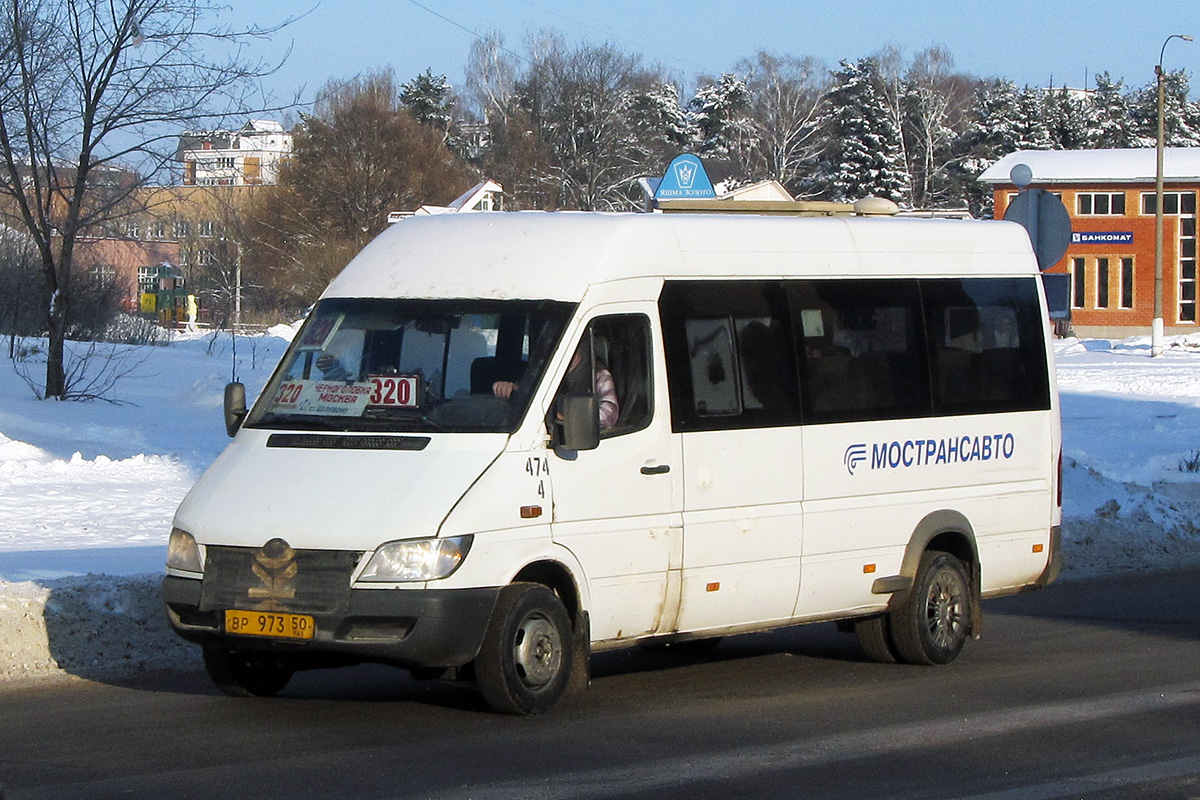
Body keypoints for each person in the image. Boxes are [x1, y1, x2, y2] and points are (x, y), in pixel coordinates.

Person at [493, 343, 619, 430]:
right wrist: (512, 389)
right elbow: (532, 393)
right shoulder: (547, 372)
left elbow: (608, 415)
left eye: (569, 349)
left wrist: (566, 419)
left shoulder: (598, 375)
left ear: (579, 351)